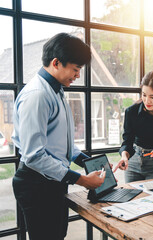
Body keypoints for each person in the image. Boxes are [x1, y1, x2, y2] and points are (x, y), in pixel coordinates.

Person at [12, 33, 105, 240]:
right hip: (36, 184)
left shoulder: (56, 91)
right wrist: (81, 179)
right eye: (75, 69)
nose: (78, 75)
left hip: (51, 181)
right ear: (56, 62)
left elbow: (61, 145)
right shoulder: (37, 96)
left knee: (57, 235)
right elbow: (34, 156)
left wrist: (87, 162)